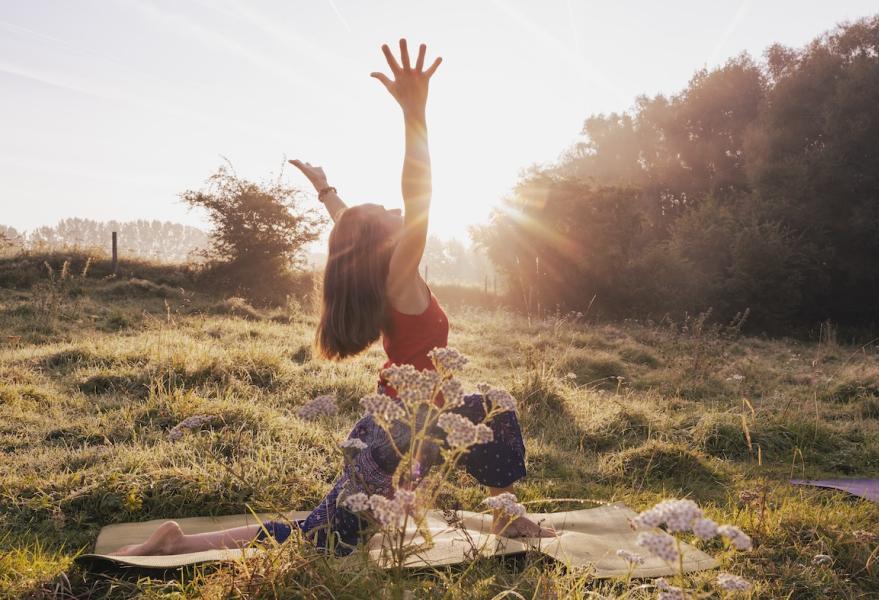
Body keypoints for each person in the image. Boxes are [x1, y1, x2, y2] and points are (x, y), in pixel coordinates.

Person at [114, 40, 553, 558]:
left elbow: (351, 228)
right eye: (386, 211)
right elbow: (419, 197)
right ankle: (178, 542)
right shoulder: (400, 275)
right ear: (384, 239)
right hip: (395, 438)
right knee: (325, 539)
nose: (396, 209)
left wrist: (326, 191)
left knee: (495, 408)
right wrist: (415, 113)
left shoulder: (379, 274)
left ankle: (507, 516)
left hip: (393, 424)